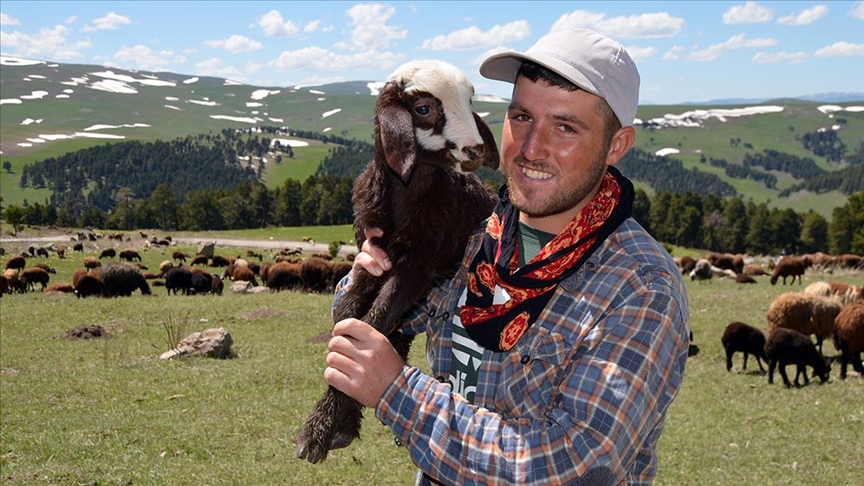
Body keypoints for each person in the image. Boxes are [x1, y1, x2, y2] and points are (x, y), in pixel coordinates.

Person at [321, 29, 690, 485]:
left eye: (565, 127)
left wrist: (398, 391)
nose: (531, 147)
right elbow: (391, 320)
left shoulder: (639, 287)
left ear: (617, 146)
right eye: (521, 116)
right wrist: (366, 280)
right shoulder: (474, 235)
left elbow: (572, 468)